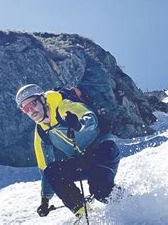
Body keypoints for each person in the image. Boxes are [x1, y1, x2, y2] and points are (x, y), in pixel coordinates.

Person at [15, 84, 121, 218]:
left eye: (33, 103)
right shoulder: (41, 131)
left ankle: (131, 204)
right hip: (83, 160)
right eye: (25, 108)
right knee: (52, 171)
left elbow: (91, 118)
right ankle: (84, 214)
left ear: (42, 99)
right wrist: (45, 200)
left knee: (100, 190)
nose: (31, 110)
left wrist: (79, 124)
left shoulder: (63, 106)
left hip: (103, 151)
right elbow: (45, 168)